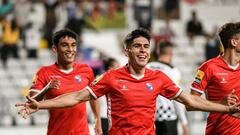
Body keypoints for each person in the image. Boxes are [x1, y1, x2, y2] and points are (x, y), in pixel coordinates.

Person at [16, 28, 240, 135]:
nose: (143, 51)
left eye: (146, 47)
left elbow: (191, 102)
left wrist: (226, 108)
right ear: (127, 51)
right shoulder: (111, 78)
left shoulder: (159, 78)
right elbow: (76, 96)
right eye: (137, 46)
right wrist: (41, 104)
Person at [23, 29, 102, 135]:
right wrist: (46, 89)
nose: (70, 49)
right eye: (65, 45)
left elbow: (93, 95)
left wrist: (97, 119)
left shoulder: (86, 70)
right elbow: (32, 101)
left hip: (82, 132)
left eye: (73, 45)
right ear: (55, 49)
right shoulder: (43, 72)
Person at [190, 22, 240, 135]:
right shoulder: (208, 67)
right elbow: (190, 103)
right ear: (233, 42)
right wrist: (220, 104)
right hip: (218, 131)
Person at [147, 40, 189, 135]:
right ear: (171, 53)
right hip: (168, 118)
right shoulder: (172, 71)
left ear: (158, 51)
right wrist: (184, 122)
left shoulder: (147, 67)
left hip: (150, 118)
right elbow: (177, 97)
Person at [99, 58, 120, 135]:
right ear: (110, 68)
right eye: (117, 66)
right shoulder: (105, 80)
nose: (120, 68)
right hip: (104, 117)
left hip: (109, 117)